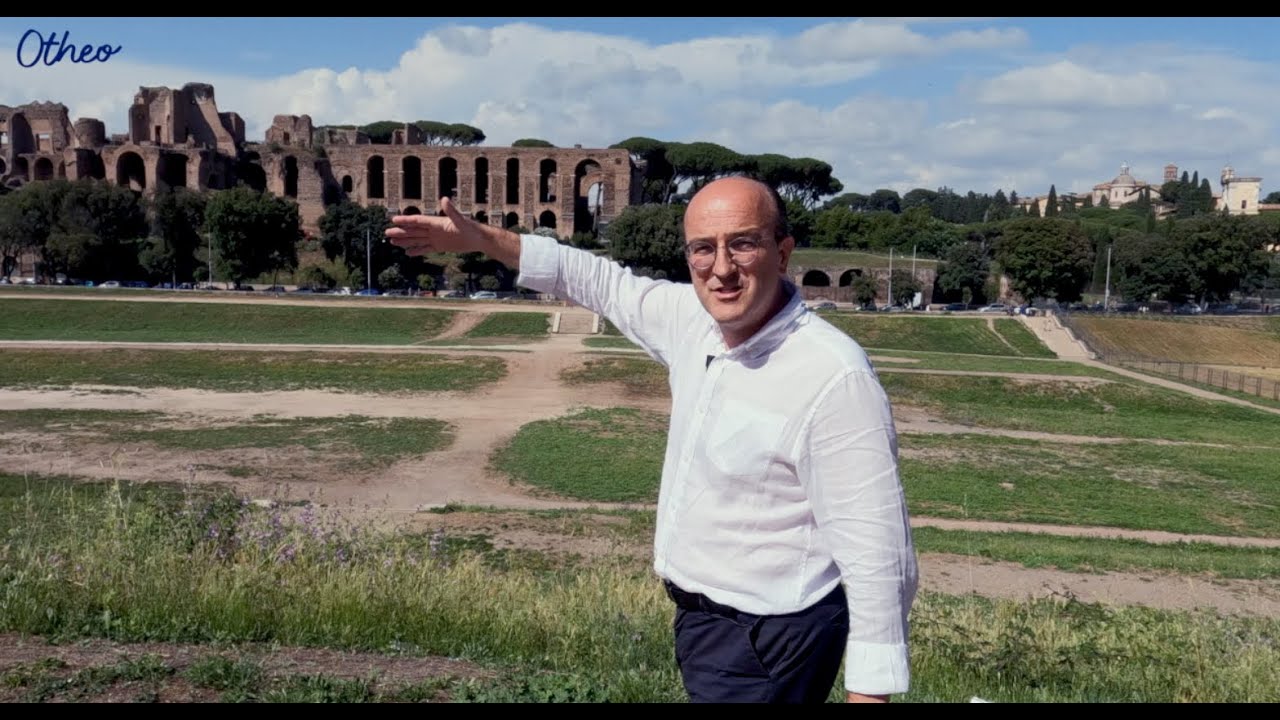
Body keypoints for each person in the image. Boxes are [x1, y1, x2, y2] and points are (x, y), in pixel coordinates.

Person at [386, 176, 919, 704]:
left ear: (782, 252)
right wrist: (484, 239)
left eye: (743, 243)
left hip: (769, 638)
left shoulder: (833, 376)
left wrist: (868, 694)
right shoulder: (694, 320)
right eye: (703, 249)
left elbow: (879, 557)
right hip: (708, 623)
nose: (722, 269)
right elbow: (597, 279)